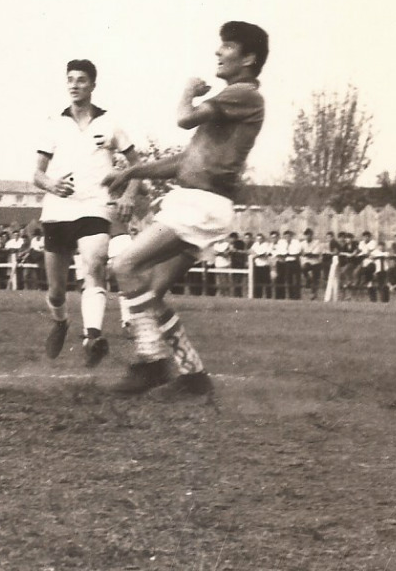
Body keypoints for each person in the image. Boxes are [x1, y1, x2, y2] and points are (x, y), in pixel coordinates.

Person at [103, 21, 269, 398]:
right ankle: (194, 377)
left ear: (248, 58)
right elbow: (186, 162)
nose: (218, 53)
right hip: (200, 204)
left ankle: (151, 362)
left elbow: (183, 119)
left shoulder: (243, 93)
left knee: (124, 266)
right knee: (153, 293)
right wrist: (134, 170)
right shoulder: (234, 102)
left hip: (199, 205)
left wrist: (188, 91)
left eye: (227, 47)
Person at [33, 59, 142, 367]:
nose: (74, 84)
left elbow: (137, 164)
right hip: (57, 211)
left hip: (96, 207)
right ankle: (60, 321)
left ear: (93, 85)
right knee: (56, 291)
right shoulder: (54, 123)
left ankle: (92, 337)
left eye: (81, 80)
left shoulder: (111, 124)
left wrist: (130, 195)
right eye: (70, 79)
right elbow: (37, 175)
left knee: (94, 270)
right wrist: (52, 185)